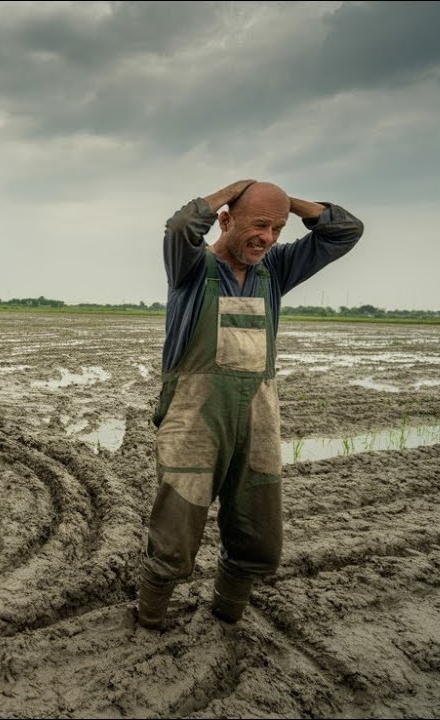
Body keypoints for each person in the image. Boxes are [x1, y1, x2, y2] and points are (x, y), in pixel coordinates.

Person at [138, 179, 364, 630]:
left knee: (258, 537)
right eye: (259, 225)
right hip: (195, 418)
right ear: (225, 220)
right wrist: (234, 189)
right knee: (175, 535)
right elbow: (181, 225)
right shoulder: (191, 266)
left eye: (278, 229)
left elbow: (346, 231)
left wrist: (284, 201)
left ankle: (227, 616)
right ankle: (148, 621)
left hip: (258, 417)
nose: (269, 238)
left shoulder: (274, 270)